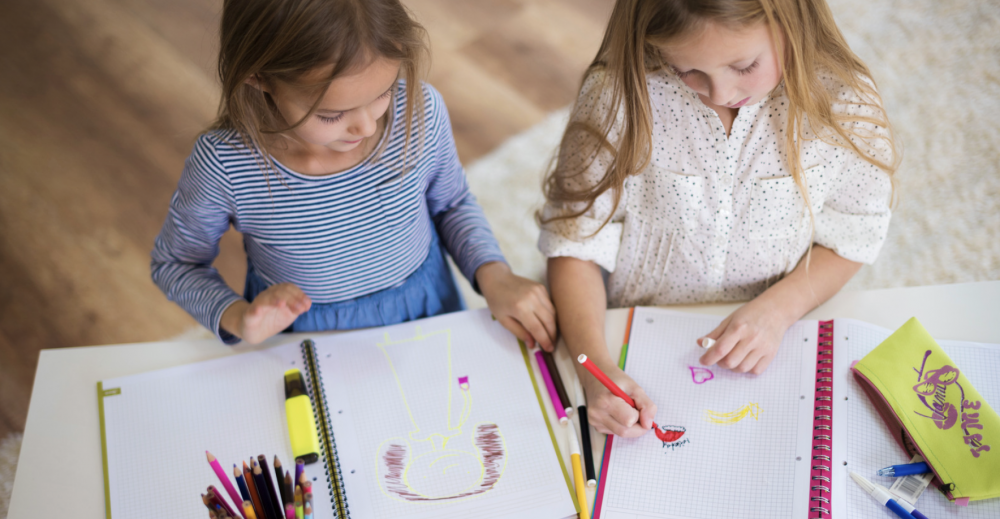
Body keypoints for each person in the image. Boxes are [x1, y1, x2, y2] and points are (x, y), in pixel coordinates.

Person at [539, 0, 898, 437]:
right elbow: (574, 240)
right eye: (687, 71)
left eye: (744, 66)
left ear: (793, 21)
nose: (722, 93)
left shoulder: (844, 102)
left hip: (780, 333)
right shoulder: (620, 95)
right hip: (632, 328)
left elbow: (854, 233)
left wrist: (778, 310)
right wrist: (593, 370)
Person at [152, 0, 555, 350]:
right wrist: (238, 317)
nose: (365, 127)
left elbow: (450, 203)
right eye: (332, 114)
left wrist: (494, 274)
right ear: (258, 77)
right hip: (307, 338)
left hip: (426, 307)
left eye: (383, 92)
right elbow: (176, 263)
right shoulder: (224, 165)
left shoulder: (420, 112)